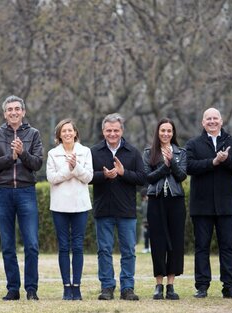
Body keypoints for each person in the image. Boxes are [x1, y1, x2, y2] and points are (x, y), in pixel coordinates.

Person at [0, 95, 43, 301]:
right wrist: (11, 157)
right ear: (4, 113)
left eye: (17, 109)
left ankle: (31, 289)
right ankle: (13, 288)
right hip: (3, 192)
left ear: (23, 112)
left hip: (26, 191)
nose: (13, 112)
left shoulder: (34, 134)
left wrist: (22, 153)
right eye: (9, 109)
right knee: (8, 244)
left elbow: (37, 163)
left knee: (31, 244)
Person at [186, 108, 232, 299]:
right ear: (203, 123)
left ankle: (229, 287)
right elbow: (188, 167)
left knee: (227, 247)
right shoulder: (193, 144)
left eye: (215, 118)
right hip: (201, 205)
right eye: (208, 119)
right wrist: (213, 162)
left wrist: (227, 160)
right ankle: (202, 286)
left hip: (226, 205)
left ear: (221, 121)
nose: (212, 121)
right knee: (201, 247)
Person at [90, 113, 145, 301]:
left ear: (122, 131)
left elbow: (142, 178)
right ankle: (107, 287)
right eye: (108, 130)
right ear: (103, 131)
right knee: (104, 250)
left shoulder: (133, 152)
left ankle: (127, 287)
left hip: (126, 210)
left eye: (116, 130)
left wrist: (123, 173)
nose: (112, 133)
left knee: (128, 250)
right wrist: (103, 176)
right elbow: (87, 177)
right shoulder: (94, 152)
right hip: (103, 209)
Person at [46, 119, 93, 300]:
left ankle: (77, 286)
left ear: (75, 133)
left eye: (70, 130)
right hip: (59, 206)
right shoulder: (52, 154)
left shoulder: (85, 151)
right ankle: (66, 286)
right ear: (59, 135)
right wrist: (70, 168)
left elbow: (88, 177)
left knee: (78, 246)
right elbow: (52, 178)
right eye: (63, 131)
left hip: (80, 205)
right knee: (64, 247)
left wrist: (76, 166)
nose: (67, 133)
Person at [142, 118, 187, 300]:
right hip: (156, 201)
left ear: (173, 133)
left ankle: (171, 285)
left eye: (169, 131)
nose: (166, 134)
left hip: (176, 201)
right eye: (163, 131)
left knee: (175, 243)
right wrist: (165, 166)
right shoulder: (148, 152)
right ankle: (158, 285)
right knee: (158, 243)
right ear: (157, 132)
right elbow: (148, 177)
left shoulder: (181, 152)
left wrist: (172, 163)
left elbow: (182, 175)